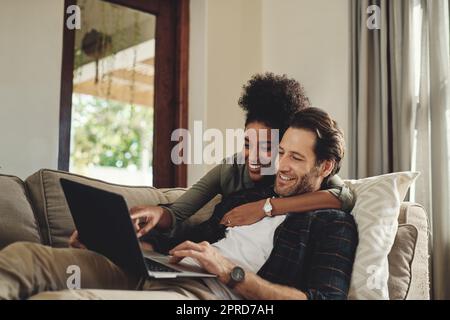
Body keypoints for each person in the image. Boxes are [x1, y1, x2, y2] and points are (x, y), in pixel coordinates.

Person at [0, 107, 358, 300]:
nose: (279, 165)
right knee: (22, 257)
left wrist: (228, 271)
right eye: (280, 152)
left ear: (324, 166)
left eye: (295, 157)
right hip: (159, 271)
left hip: (203, 294)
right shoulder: (247, 195)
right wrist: (117, 242)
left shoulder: (332, 224)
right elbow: (185, 234)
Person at [129, 73, 354, 240]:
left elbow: (343, 197)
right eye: (248, 144)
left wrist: (265, 207)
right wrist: (156, 212)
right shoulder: (231, 169)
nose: (253, 157)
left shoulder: (298, 175)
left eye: (267, 147)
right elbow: (176, 213)